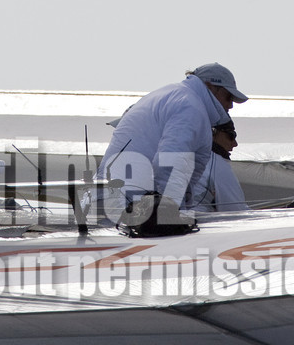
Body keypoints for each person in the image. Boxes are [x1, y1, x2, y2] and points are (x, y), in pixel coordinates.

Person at [91, 63, 247, 225]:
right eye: (228, 97)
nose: (230, 106)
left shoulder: (174, 94)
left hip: (114, 202)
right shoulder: (190, 106)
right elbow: (171, 165)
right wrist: (169, 217)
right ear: (210, 87)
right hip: (128, 209)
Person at [192, 119, 248, 212]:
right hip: (198, 222)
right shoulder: (217, 165)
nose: (235, 144)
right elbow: (235, 210)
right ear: (212, 133)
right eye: (231, 136)